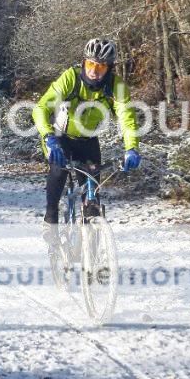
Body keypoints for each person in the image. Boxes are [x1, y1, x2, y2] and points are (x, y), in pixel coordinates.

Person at [32, 38, 141, 247]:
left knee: (93, 195)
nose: (94, 71)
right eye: (91, 64)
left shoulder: (115, 87)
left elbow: (127, 118)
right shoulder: (70, 78)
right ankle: (50, 217)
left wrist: (132, 148)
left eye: (100, 66)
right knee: (58, 170)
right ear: (83, 62)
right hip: (59, 137)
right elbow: (41, 108)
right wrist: (48, 136)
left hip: (89, 140)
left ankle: (94, 256)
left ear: (109, 68)